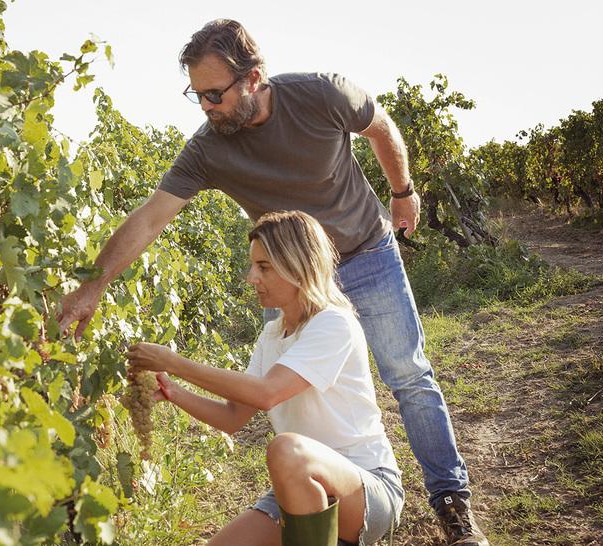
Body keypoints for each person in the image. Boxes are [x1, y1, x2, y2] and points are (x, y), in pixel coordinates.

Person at [58, 18, 488, 546]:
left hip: (365, 251)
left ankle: (451, 502)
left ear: (254, 79)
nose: (205, 107)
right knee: (280, 386)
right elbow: (151, 217)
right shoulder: (209, 147)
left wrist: (403, 189)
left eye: (214, 94)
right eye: (196, 96)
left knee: (408, 376)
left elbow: (381, 127)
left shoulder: (321, 94)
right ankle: (309, 499)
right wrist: (92, 286)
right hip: (291, 278)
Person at [128, 211, 403, 546]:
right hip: (298, 486)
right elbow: (233, 417)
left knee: (286, 450)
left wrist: (173, 362)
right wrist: (173, 391)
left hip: (365, 490)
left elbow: (267, 393)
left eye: (264, 267)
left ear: (298, 265)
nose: (251, 277)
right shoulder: (272, 334)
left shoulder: (334, 324)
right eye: (253, 266)